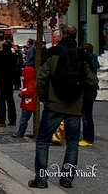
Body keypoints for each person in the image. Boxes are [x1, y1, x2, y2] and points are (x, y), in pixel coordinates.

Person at [29, 24, 98, 189]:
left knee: (43, 141)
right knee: (73, 143)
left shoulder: (52, 53)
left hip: (54, 104)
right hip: (75, 105)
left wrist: (45, 97)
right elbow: (92, 81)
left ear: (61, 35)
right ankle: (67, 179)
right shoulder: (82, 55)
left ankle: (41, 179)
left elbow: (42, 77)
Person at [0, 41, 18, 127]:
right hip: (10, 80)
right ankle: (12, 120)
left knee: (1, 100)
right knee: (10, 100)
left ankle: (2, 120)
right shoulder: (13, 56)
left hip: (0, 80)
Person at [79, 43, 99, 147]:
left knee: (86, 115)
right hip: (92, 90)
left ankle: (88, 138)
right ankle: (87, 138)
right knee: (86, 114)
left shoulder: (86, 60)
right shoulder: (93, 59)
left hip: (87, 90)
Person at [12, 66, 37, 138]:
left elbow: (29, 92)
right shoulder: (30, 82)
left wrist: (22, 94)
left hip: (28, 104)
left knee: (23, 119)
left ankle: (20, 132)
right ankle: (20, 132)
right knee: (24, 119)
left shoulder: (30, 83)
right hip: (27, 104)